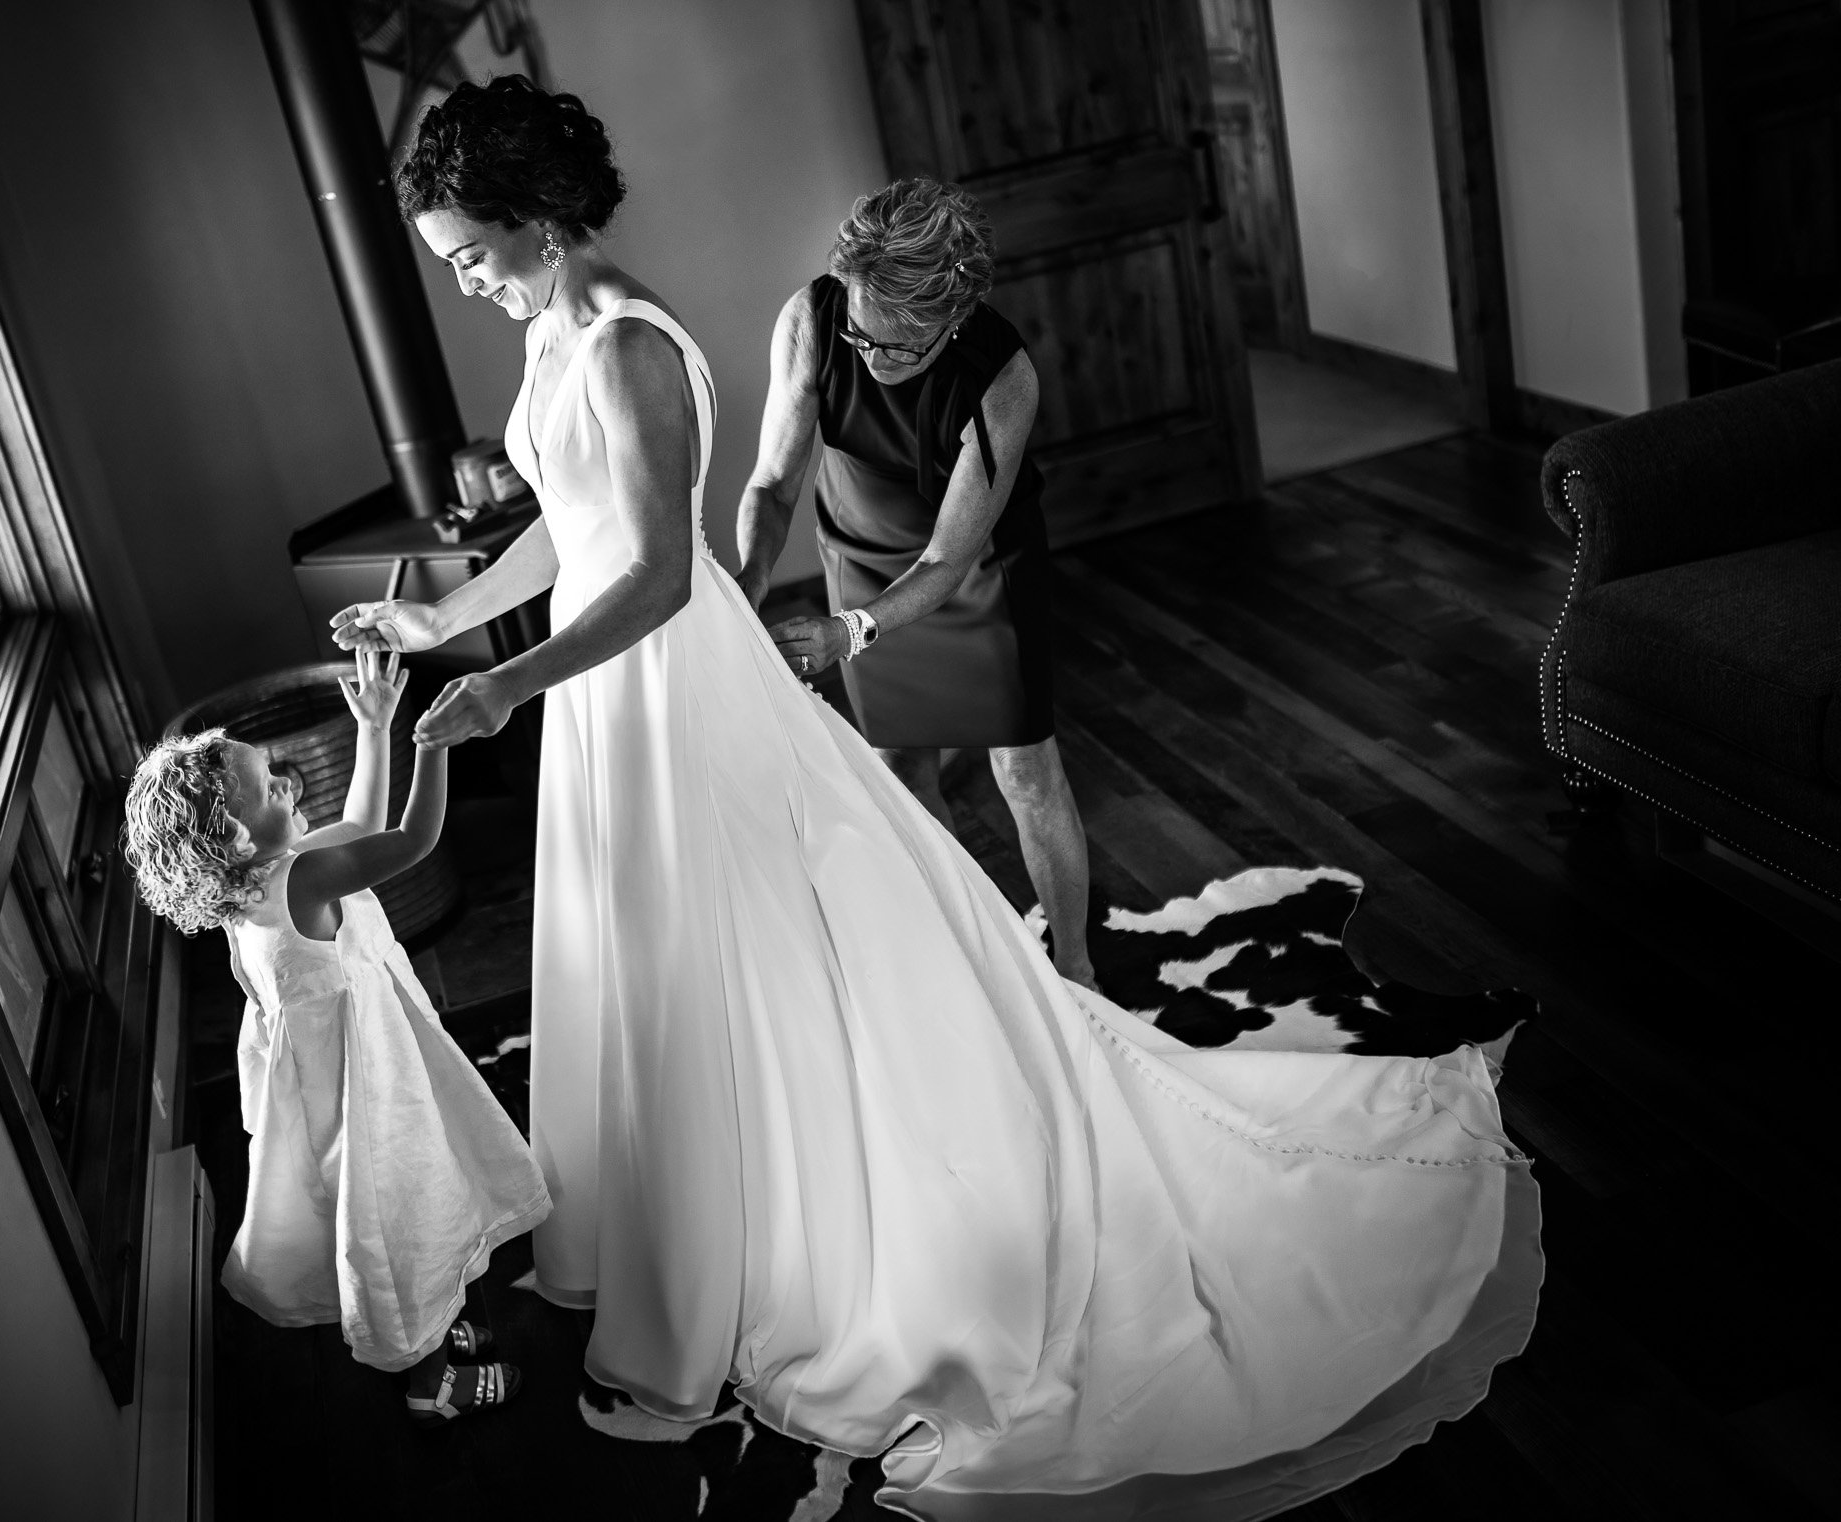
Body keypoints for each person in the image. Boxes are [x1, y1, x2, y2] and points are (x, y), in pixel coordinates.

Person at [335, 74, 1538, 1519]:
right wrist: (441, 619)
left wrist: (508, 687)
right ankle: (675, 1199)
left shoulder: (630, 350)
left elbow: (654, 573)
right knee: (660, 944)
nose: (463, 278)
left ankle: (793, 1194)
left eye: (470, 250)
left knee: (750, 928)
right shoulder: (558, 332)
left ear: (534, 221)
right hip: (621, 684)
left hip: (680, 664)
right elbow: (576, 528)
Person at [122, 649, 548, 1425]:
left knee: (410, 1204)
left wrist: (374, 728)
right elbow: (410, 839)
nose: (287, 781)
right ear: (240, 837)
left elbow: (362, 826)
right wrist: (432, 745)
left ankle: (434, 1322)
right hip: (368, 1090)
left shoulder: (255, 883)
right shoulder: (301, 880)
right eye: (268, 786)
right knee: (402, 1214)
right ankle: (427, 1382)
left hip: (335, 1082)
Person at [735, 179, 1094, 990]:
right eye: (862, 338)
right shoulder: (814, 319)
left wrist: (850, 632)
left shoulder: (1004, 379)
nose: (873, 357)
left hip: (975, 569)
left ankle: (1075, 968)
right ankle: (973, 952)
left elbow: (945, 562)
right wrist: (747, 585)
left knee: (1024, 770)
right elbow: (773, 484)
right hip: (857, 547)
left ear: (953, 317)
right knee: (901, 764)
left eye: (898, 347)